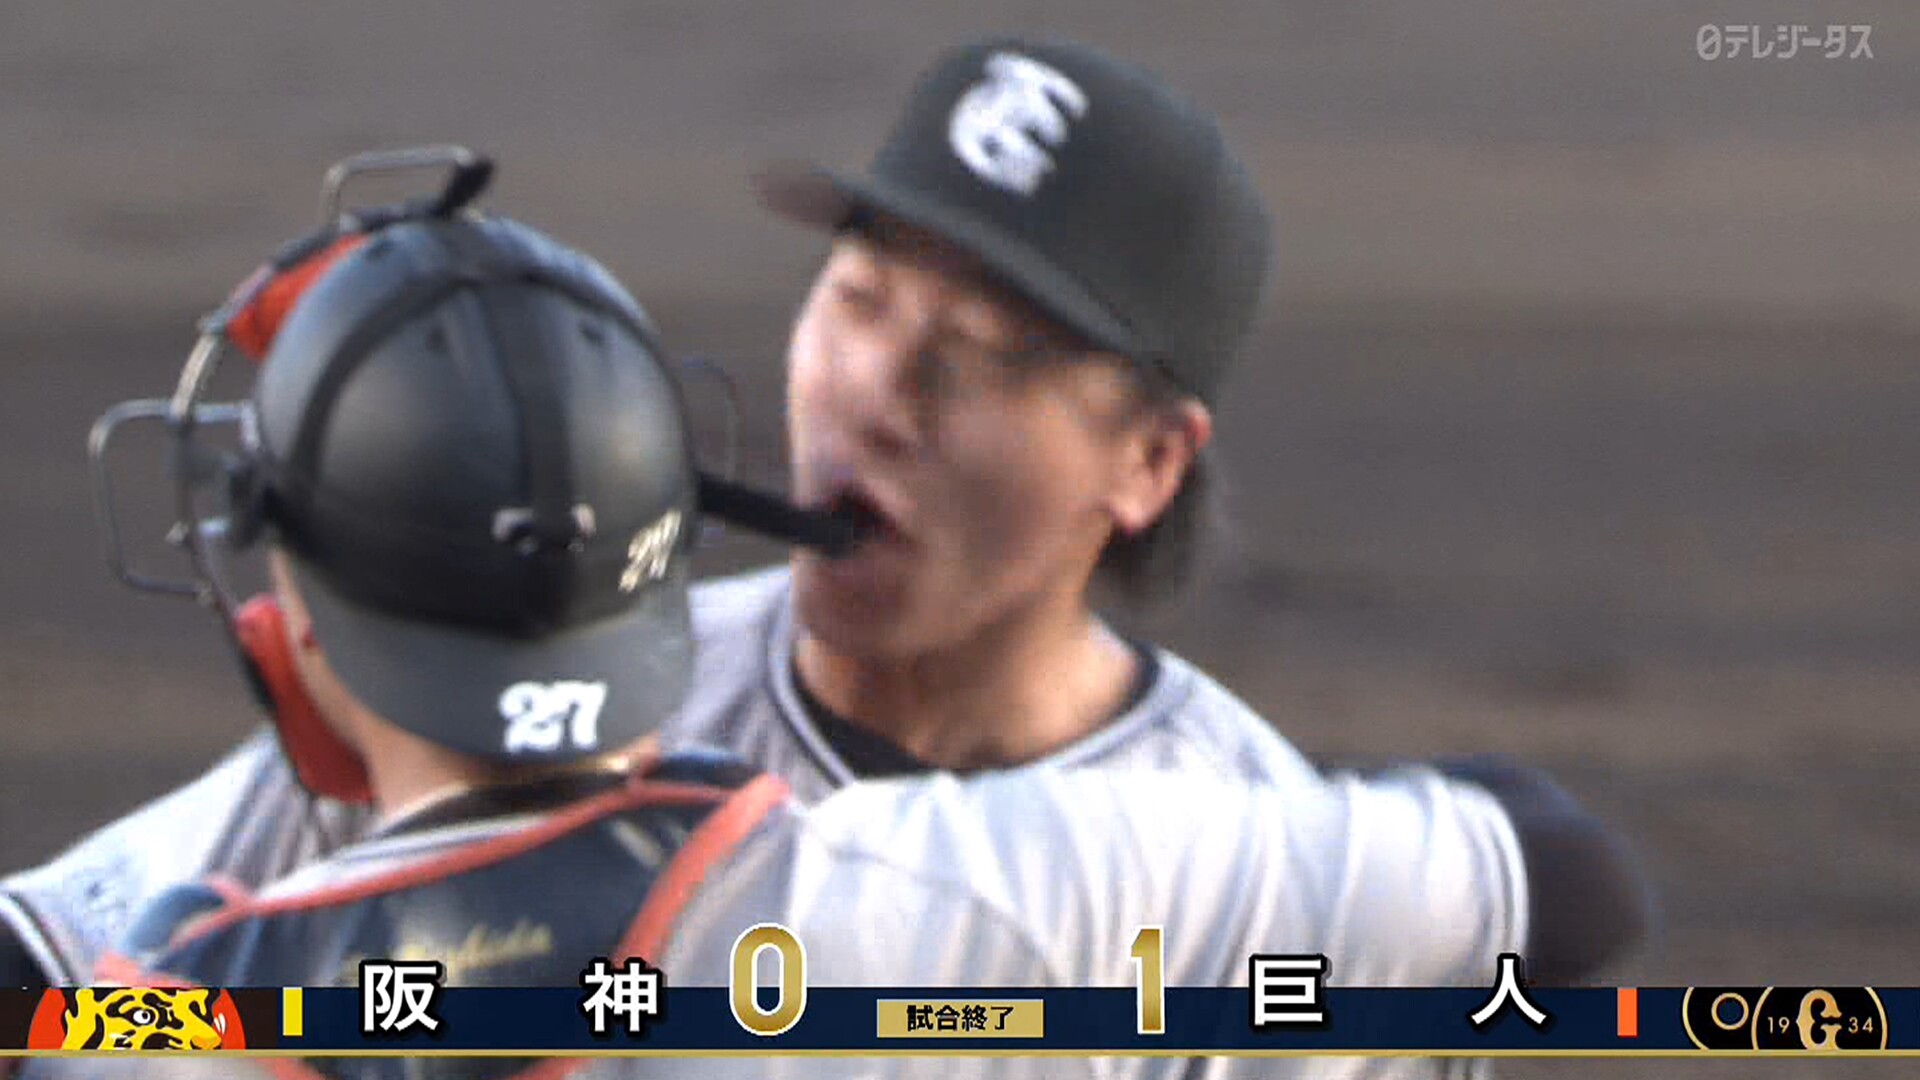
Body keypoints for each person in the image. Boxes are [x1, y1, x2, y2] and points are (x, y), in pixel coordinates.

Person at [2, 35, 1649, 1021]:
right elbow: (53, 965)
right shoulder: (553, 680)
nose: (880, 392)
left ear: (1148, 465)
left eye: (981, 354)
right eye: (858, 298)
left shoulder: (1229, 855)